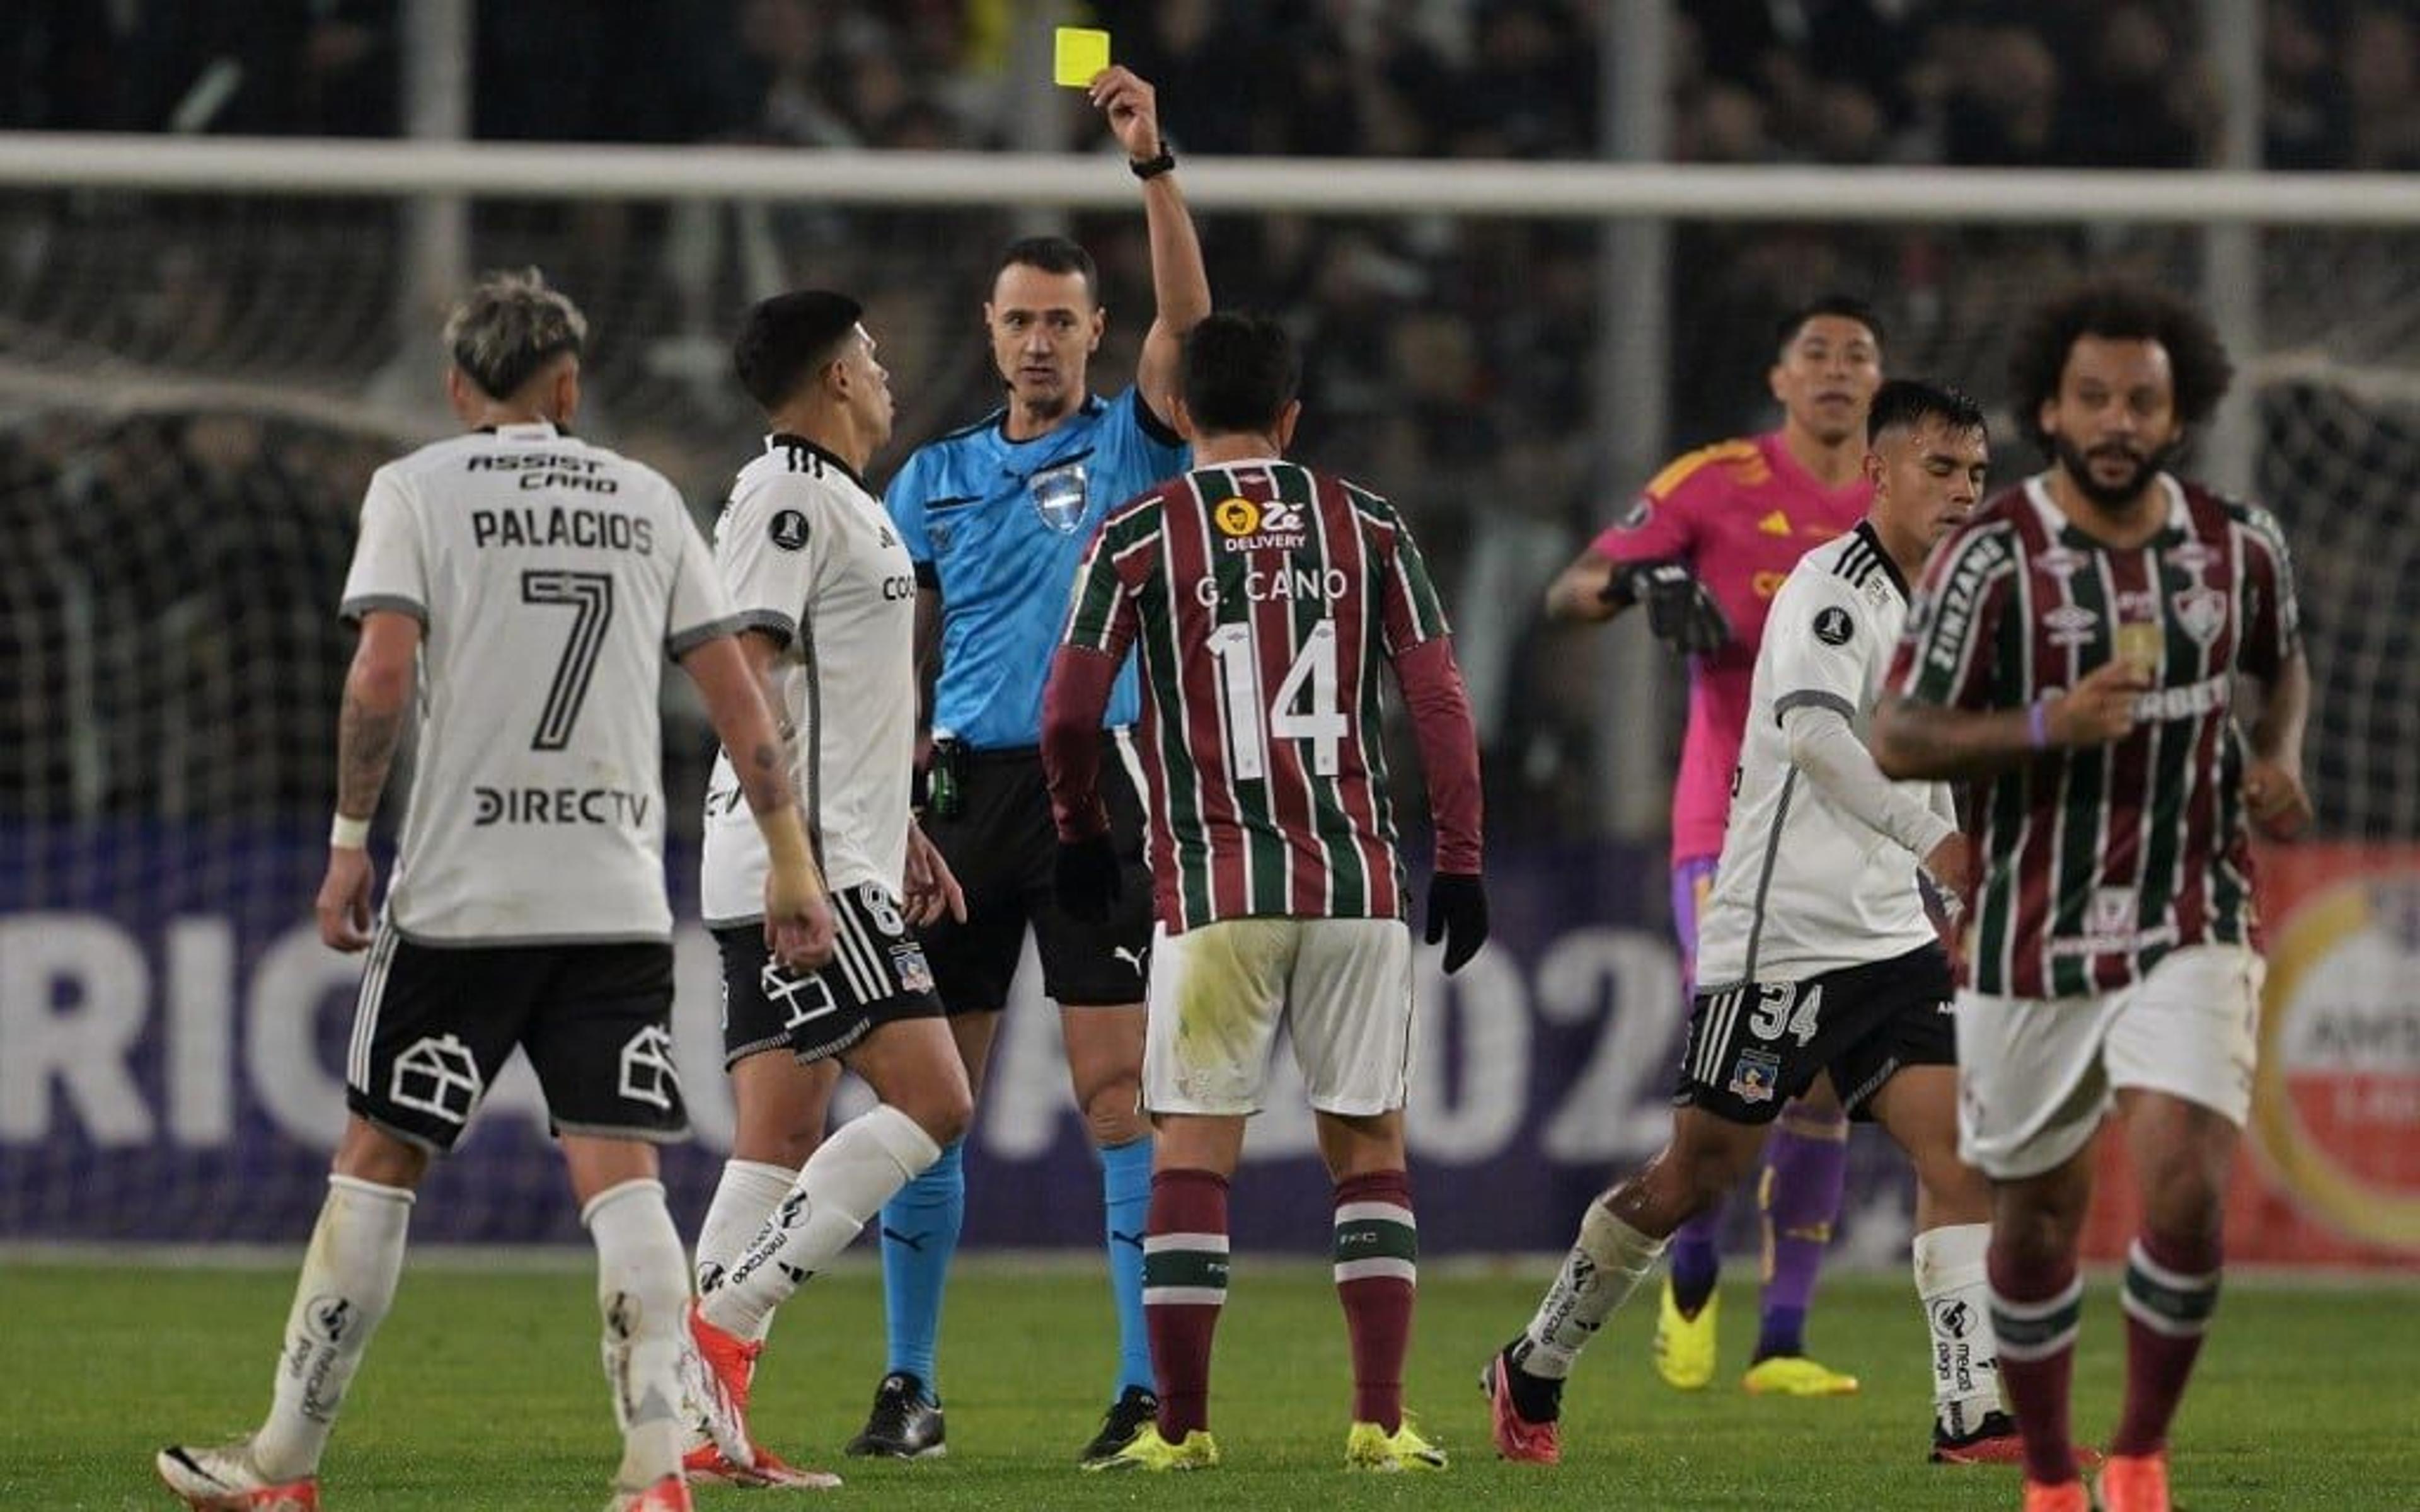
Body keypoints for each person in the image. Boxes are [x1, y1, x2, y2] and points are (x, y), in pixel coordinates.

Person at [156, 268, 836, 1512]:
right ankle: (651, 1472)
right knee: (622, 1175)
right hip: (616, 899)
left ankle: (285, 1467)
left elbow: (379, 674)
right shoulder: (646, 498)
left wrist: (352, 836)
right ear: (570, 384)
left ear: (459, 386)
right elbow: (742, 696)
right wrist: (792, 858)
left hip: (466, 898)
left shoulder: (416, 488)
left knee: (378, 1160)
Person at [1486, 379, 2010, 1468]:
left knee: (1960, 1149)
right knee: (1697, 1174)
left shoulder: (1960, 603)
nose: (1964, 491)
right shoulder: (1832, 586)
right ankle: (1534, 1361)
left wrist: (1955, 890)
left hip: (1887, 941)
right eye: (1940, 468)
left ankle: (1973, 1412)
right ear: (1879, 468)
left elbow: (1947, 752)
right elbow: (1818, 738)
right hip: (1778, 937)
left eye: (1975, 472)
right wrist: (1938, 848)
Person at [1872, 282, 2310, 1512]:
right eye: (2096, 398)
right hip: (2028, 926)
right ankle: (2055, 1476)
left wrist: (2279, 760)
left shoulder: (2239, 546)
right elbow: (1896, 731)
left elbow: (2283, 667)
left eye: (2145, 401)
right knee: (2038, 1218)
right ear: (2050, 409)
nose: (2120, 421)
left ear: (2184, 415)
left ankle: (2139, 1458)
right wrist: (2042, 723)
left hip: (2192, 905)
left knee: (2183, 1179)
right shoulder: (1991, 556)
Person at [1040, 311, 1489, 1472]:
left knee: (1193, 1147)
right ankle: (1380, 1421)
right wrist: (1464, 858)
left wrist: (1082, 830)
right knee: (1371, 1145)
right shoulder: (1370, 522)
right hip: (1355, 880)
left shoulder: (1139, 530)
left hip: (1216, 883)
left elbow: (1069, 713)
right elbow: (1438, 704)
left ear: (1178, 412)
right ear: (1292, 418)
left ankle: (1182, 1432)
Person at [870, 64, 1211, 1465]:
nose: (1038, 344)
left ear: (1097, 332)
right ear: (990, 328)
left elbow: (1191, 329)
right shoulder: (932, 476)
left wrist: (1152, 168)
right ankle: (908, 1386)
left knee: (1114, 1093)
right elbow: (877, 640)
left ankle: (1143, 1392)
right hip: (955, 798)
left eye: (1063, 321)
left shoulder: (1135, 445)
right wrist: (886, 797)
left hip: (1098, 789)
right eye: (1019, 321)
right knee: (929, 1103)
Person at [1541, 295, 1885, 1396]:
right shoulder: (1717, 481)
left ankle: (1782, 1344)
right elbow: (1573, 589)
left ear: (1880, 383)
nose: (1837, 370)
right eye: (1816, 352)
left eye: (1858, 356)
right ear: (1782, 380)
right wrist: (1644, 583)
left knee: (1825, 1082)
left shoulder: (1904, 503)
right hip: (1727, 832)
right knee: (1739, 1071)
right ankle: (1689, 1287)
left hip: (1856, 833)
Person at [681, 291, 979, 1488]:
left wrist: (899, 826)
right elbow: (739, 673)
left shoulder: (835, 498)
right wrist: (803, 857)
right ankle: (730, 1324)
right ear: (833, 377)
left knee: (781, 1133)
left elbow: (836, 696)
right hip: (800, 862)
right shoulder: (788, 496)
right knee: (938, 1100)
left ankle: (697, 1419)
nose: (886, 366)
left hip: (827, 848)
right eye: (868, 350)